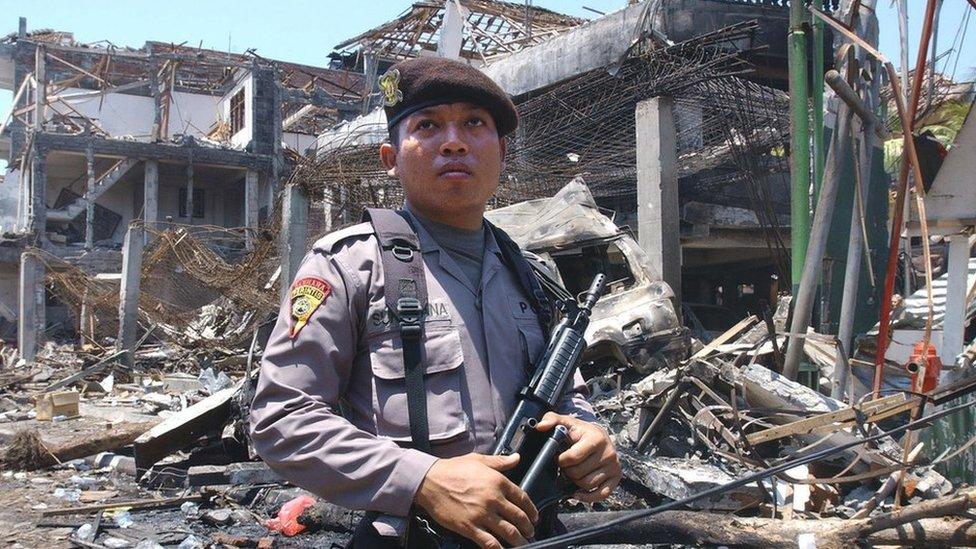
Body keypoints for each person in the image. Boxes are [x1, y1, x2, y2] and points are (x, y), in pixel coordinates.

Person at [249, 56, 621, 549]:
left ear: (502, 151)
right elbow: (283, 418)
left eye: (474, 123)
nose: (453, 141)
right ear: (391, 158)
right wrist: (422, 480)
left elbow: (567, 400)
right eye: (427, 125)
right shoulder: (350, 265)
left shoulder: (535, 277)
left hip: (531, 533)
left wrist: (590, 436)